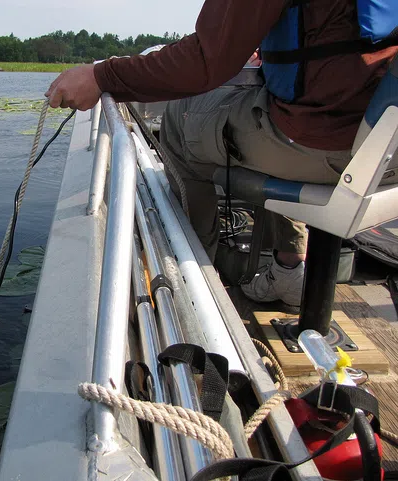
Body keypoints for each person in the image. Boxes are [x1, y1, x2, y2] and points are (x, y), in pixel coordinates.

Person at [45, 0, 398, 307]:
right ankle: (289, 265)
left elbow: (204, 61)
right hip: (389, 152)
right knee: (270, 108)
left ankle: (191, 281)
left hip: (331, 147)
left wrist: (101, 76)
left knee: (181, 118)